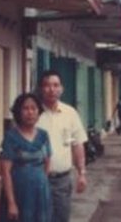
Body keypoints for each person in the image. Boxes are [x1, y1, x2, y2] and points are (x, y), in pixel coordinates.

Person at [36, 70, 88, 222]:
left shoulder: (70, 113)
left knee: (61, 218)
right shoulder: (33, 112)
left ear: (62, 89)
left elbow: (77, 144)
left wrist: (82, 173)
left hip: (62, 181)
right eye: (47, 85)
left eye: (55, 85)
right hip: (37, 179)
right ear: (40, 88)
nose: (51, 89)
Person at [0, 93, 52, 222]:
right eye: (26, 108)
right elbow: (5, 172)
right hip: (19, 192)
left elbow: (47, 164)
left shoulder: (44, 135)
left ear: (38, 112)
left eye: (34, 108)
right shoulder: (11, 137)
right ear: (18, 111)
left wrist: (40, 182)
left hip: (40, 193)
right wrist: (11, 202)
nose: (30, 112)